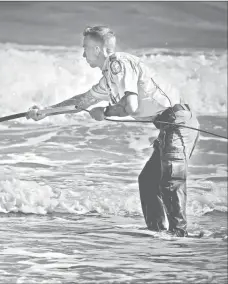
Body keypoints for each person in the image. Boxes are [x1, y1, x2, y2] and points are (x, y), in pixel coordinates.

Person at [26, 25, 200, 237]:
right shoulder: (108, 80)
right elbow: (81, 102)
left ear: (98, 49)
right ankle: (158, 233)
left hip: (179, 121)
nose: (83, 54)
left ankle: (180, 237)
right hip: (168, 126)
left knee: (171, 180)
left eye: (86, 48)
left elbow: (131, 106)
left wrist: (106, 111)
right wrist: (46, 111)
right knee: (148, 181)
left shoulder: (118, 63)